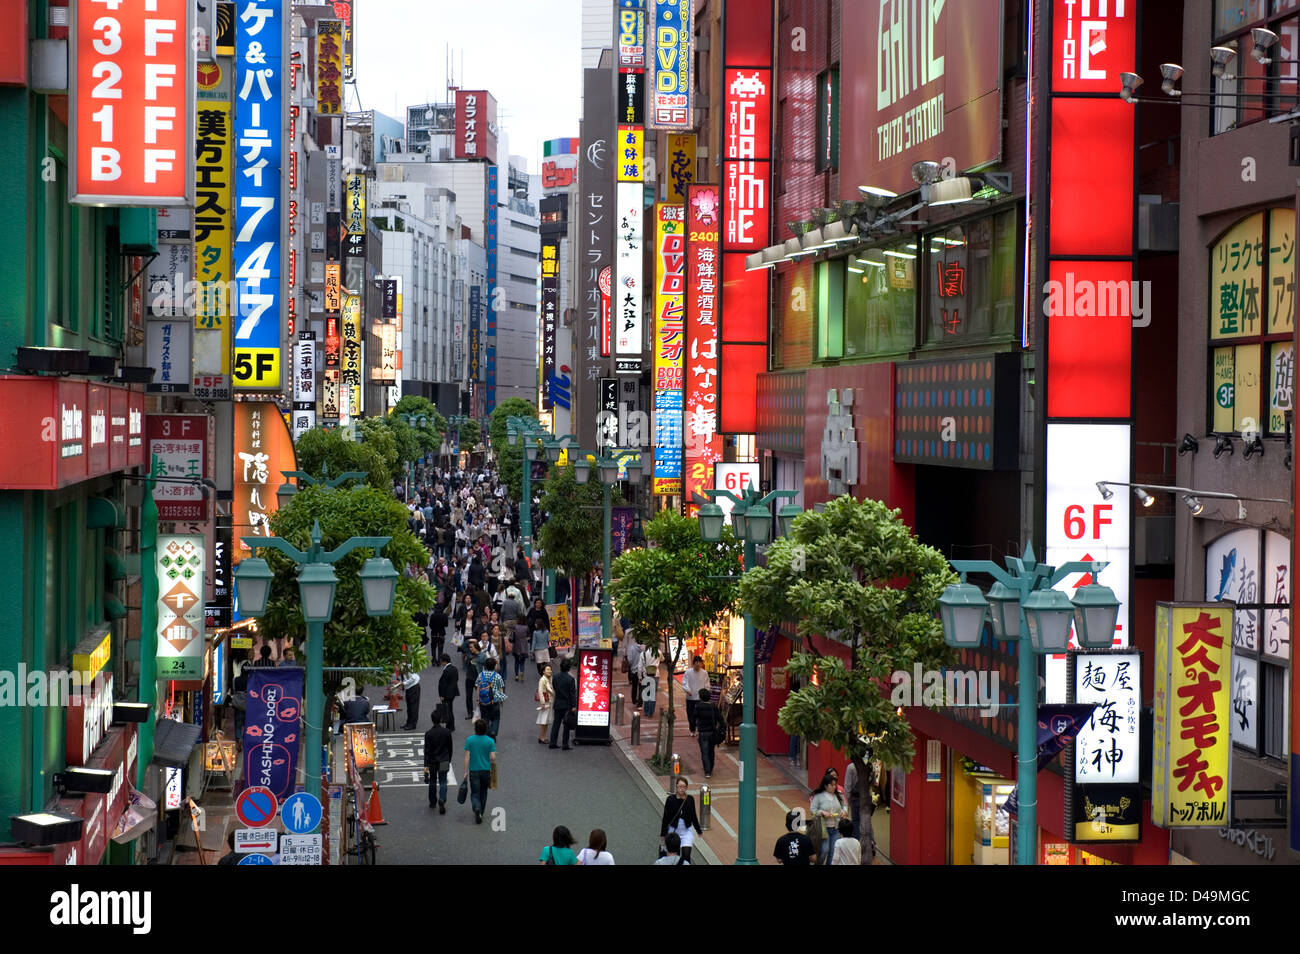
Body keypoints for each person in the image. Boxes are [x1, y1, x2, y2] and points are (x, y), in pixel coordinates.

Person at [810, 768, 848, 865]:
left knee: (833, 851)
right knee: (824, 850)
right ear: (826, 785)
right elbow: (812, 810)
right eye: (832, 785)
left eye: (835, 785)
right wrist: (822, 812)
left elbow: (845, 805)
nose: (834, 787)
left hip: (836, 828)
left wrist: (844, 812)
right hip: (824, 829)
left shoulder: (839, 795)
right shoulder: (818, 796)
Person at [659, 777, 702, 863]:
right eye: (680, 786)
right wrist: (663, 834)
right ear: (676, 786)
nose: (682, 789)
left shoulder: (690, 799)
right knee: (676, 857)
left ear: (686, 788)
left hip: (686, 831)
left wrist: (698, 830)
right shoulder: (670, 800)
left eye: (684, 786)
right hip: (674, 832)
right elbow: (666, 818)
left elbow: (693, 815)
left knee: (686, 855)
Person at [462, 719, 496, 824]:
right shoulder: (490, 741)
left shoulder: (470, 740)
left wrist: (465, 771)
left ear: (475, 729)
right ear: (486, 729)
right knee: (483, 791)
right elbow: (493, 757)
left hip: (474, 771)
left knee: (475, 792)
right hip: (486, 770)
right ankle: (481, 811)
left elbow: (467, 757)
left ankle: (476, 807)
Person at [423, 708, 453, 813]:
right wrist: (449, 759)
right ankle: (442, 799)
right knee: (443, 781)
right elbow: (450, 747)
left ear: (432, 720)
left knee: (432, 781)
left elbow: (426, 751)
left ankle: (432, 802)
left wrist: (425, 765)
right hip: (444, 759)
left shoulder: (429, 734)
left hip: (433, 761)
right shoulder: (446, 732)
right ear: (440, 719)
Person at [693, 687, 723, 778]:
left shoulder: (698, 706)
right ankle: (711, 767)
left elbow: (693, 718)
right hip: (712, 732)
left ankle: (707, 771)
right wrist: (722, 727)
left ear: (700, 697)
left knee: (704, 752)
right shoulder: (713, 706)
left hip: (702, 733)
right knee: (711, 751)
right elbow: (720, 718)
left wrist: (693, 729)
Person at [475, 657, 507, 740]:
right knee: (496, 718)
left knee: (485, 718)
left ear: (485, 666)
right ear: (494, 666)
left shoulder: (481, 675)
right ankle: (493, 732)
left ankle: (487, 733)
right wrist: (501, 699)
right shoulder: (497, 676)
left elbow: (477, 687)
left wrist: (478, 699)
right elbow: (501, 688)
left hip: (483, 701)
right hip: (494, 701)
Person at [548, 657, 577, 750]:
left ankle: (553, 742)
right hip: (567, 704)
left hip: (557, 703)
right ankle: (565, 744)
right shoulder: (570, 679)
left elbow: (554, 688)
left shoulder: (555, 677)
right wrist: (574, 705)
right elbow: (572, 694)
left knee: (556, 723)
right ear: (569, 668)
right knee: (566, 724)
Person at [682, 656, 710, 735]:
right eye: (696, 664)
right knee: (690, 715)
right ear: (693, 664)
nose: (698, 666)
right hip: (690, 697)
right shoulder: (688, 672)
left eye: (699, 664)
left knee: (700, 715)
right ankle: (692, 729)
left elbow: (707, 685)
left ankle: (699, 728)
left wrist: (705, 693)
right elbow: (684, 683)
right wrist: (688, 690)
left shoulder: (704, 673)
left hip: (700, 698)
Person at [527, 598, 552, 677]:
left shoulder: (543, 611)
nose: (538, 604)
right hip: (533, 628)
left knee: (537, 641)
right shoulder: (532, 610)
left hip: (542, 629)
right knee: (533, 640)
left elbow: (547, 620)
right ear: (535, 603)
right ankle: (532, 653)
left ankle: (543, 670)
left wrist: (548, 630)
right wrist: (530, 623)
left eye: (539, 603)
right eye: (537, 603)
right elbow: (528, 618)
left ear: (541, 604)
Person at [437, 654, 460, 733]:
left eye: (441, 661)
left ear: (444, 661)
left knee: (448, 710)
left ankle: (450, 726)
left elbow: (443, 684)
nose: (440, 663)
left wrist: (442, 695)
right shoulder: (454, 668)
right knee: (450, 709)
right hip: (453, 692)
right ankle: (451, 725)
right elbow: (456, 679)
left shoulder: (446, 670)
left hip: (447, 693)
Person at [535, 663, 555, 744]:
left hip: (549, 702)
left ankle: (543, 736)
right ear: (543, 671)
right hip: (545, 702)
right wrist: (542, 703)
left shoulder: (549, 679)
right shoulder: (542, 680)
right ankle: (542, 737)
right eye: (547, 669)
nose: (550, 671)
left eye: (550, 669)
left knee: (546, 721)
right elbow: (540, 691)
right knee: (544, 721)